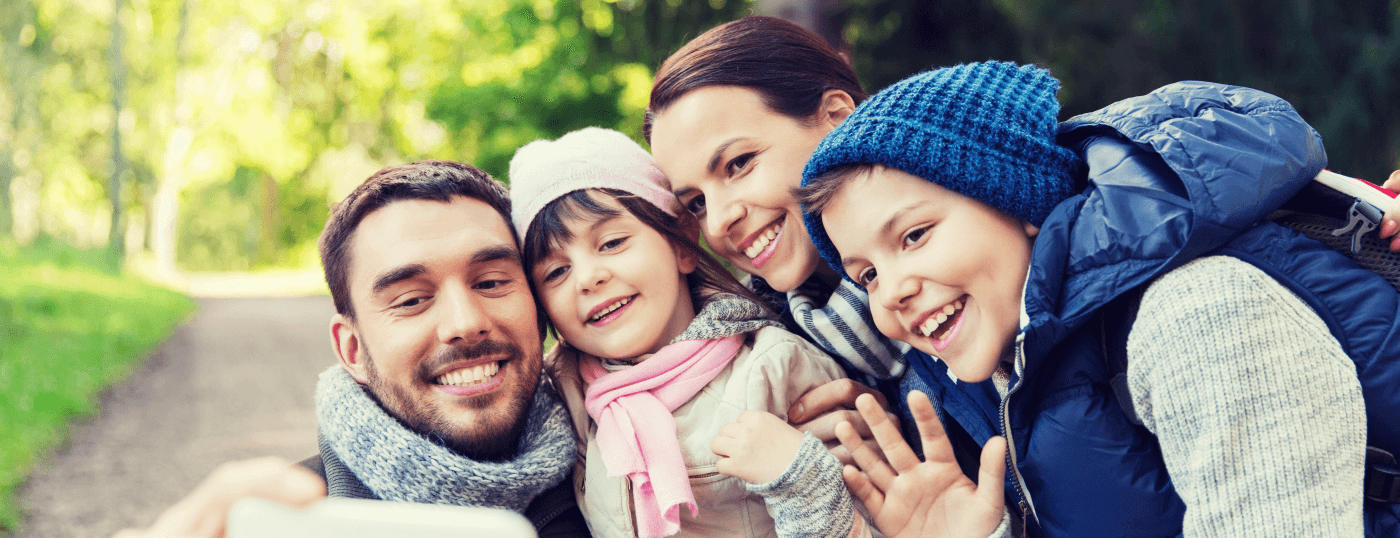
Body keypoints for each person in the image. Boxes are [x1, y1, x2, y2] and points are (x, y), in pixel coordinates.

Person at [115, 159, 886, 538]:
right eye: (410, 299)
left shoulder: (600, 467)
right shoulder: (297, 515)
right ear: (351, 347)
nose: (463, 323)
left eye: (492, 281)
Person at [797, 61, 1400, 537]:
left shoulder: (1198, 317)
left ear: (1017, 202)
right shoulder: (1012, 377)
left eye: (914, 236)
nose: (892, 292)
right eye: (867, 275)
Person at [508, 128, 874, 538]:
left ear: (681, 242)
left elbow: (873, 521)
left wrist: (800, 480)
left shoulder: (775, 368)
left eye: (611, 243)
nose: (587, 279)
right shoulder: (566, 393)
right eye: (557, 271)